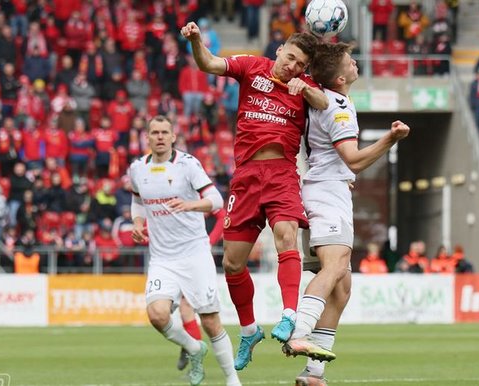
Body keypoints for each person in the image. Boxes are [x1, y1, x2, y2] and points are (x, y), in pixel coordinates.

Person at [180, 22, 329, 370]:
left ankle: (290, 315)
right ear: (279, 50)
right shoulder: (252, 67)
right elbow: (209, 64)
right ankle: (249, 330)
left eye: (299, 65)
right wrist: (196, 41)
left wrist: (304, 90)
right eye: (290, 58)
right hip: (246, 176)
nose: (292, 67)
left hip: (281, 174)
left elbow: (325, 102)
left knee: (285, 236)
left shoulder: (303, 85)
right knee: (232, 262)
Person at [283, 42, 409, 385]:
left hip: (326, 190)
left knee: (342, 288)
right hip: (327, 194)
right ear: (340, 77)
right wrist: (391, 138)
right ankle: (299, 331)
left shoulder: (329, 96)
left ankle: (313, 374)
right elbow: (353, 159)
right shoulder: (338, 104)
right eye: (350, 61)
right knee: (336, 267)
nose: (355, 63)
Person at [128, 115, 240, 386]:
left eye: (165, 132)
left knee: (211, 321)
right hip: (162, 258)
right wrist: (138, 223)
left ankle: (232, 379)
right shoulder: (137, 169)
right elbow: (137, 202)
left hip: (194, 254)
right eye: (154, 132)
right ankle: (193, 348)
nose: (160, 137)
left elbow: (215, 200)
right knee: (156, 315)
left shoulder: (188, 165)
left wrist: (191, 205)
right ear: (147, 137)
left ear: (173, 136)